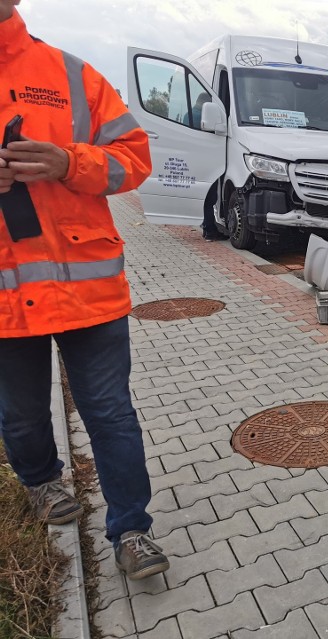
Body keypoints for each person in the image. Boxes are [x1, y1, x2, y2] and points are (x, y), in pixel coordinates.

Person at [0, 0, 169, 580]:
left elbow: (135, 160)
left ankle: (132, 530)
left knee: (111, 414)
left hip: (87, 288)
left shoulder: (71, 75)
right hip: (4, 299)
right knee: (20, 416)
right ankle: (43, 482)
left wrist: (67, 162)